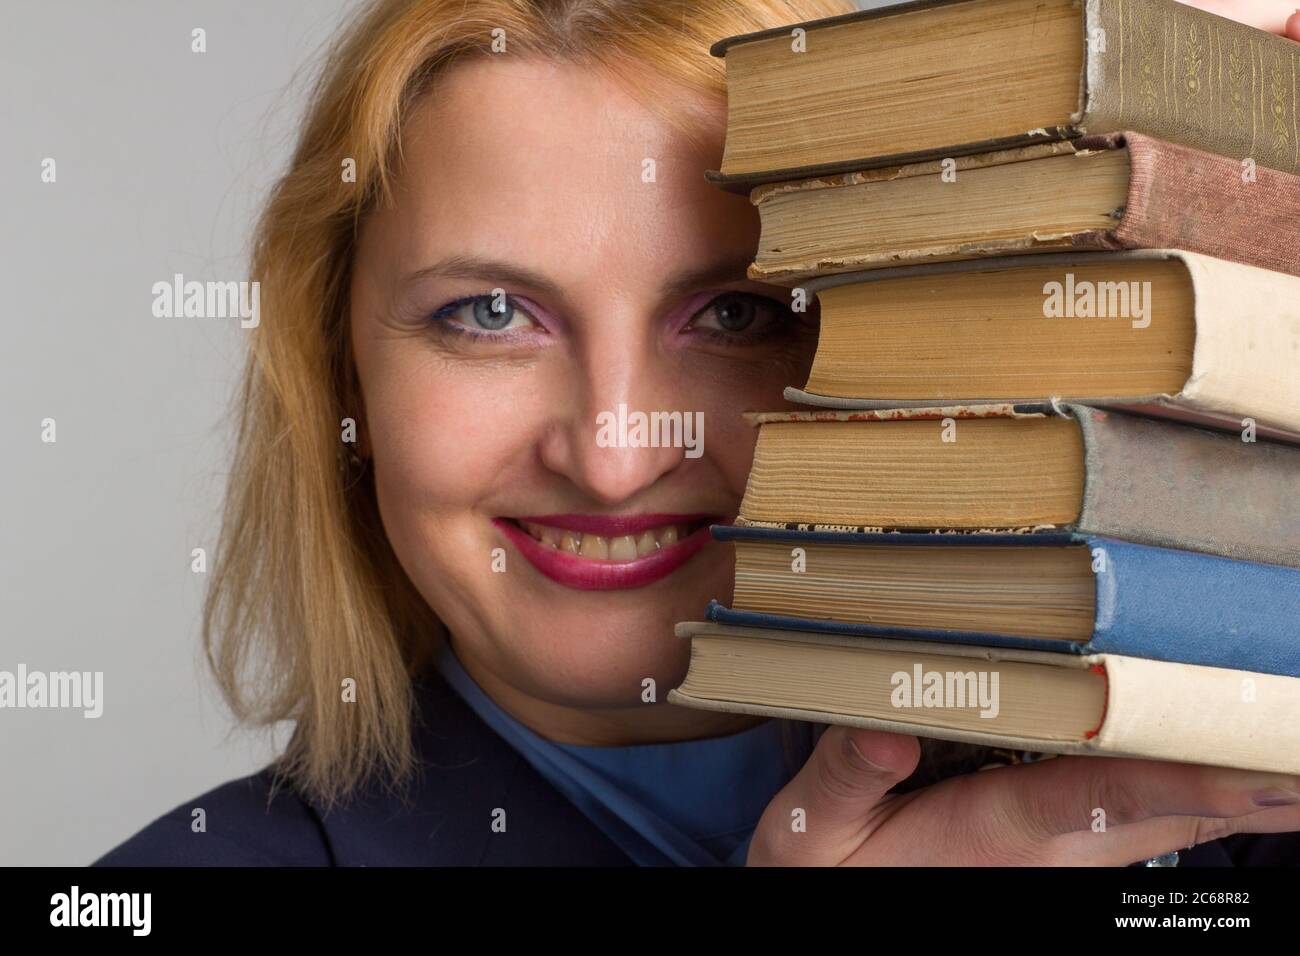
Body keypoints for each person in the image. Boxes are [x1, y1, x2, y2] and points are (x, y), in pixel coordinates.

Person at [96, 0, 1300, 867]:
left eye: (740, 313)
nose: (616, 453)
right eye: (488, 313)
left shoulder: (1209, 809)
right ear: (337, 365)